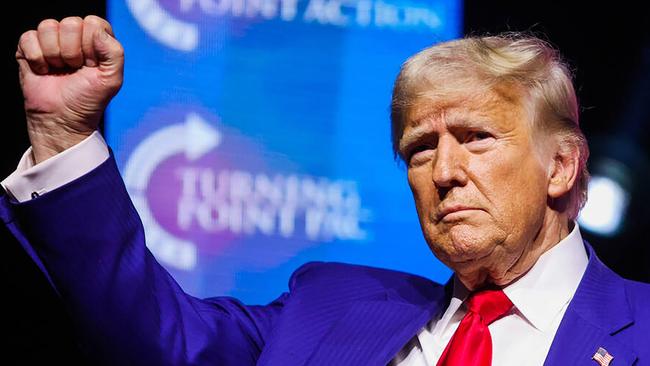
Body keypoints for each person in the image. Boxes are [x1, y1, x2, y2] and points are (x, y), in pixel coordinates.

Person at [1, 15, 648, 366]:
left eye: (476, 137)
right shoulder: (330, 305)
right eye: (420, 148)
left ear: (562, 166)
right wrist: (63, 135)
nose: (443, 171)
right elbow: (150, 334)